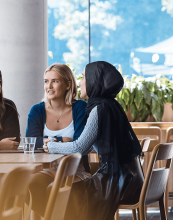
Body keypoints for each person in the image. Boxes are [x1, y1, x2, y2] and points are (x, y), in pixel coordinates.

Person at [43, 61, 144, 219]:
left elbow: (80, 148)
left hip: (118, 182)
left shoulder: (99, 108)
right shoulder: (111, 105)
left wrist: (52, 146)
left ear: (94, 80)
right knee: (58, 189)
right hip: (132, 180)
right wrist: (63, 145)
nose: (80, 82)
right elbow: (96, 145)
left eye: (84, 77)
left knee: (54, 190)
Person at [25, 63, 90, 216]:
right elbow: (32, 142)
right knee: (30, 185)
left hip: (77, 170)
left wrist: (48, 141)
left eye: (55, 81)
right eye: (46, 81)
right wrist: (63, 139)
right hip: (48, 169)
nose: (49, 86)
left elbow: (80, 143)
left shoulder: (80, 107)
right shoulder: (37, 110)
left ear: (68, 84)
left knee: (57, 190)